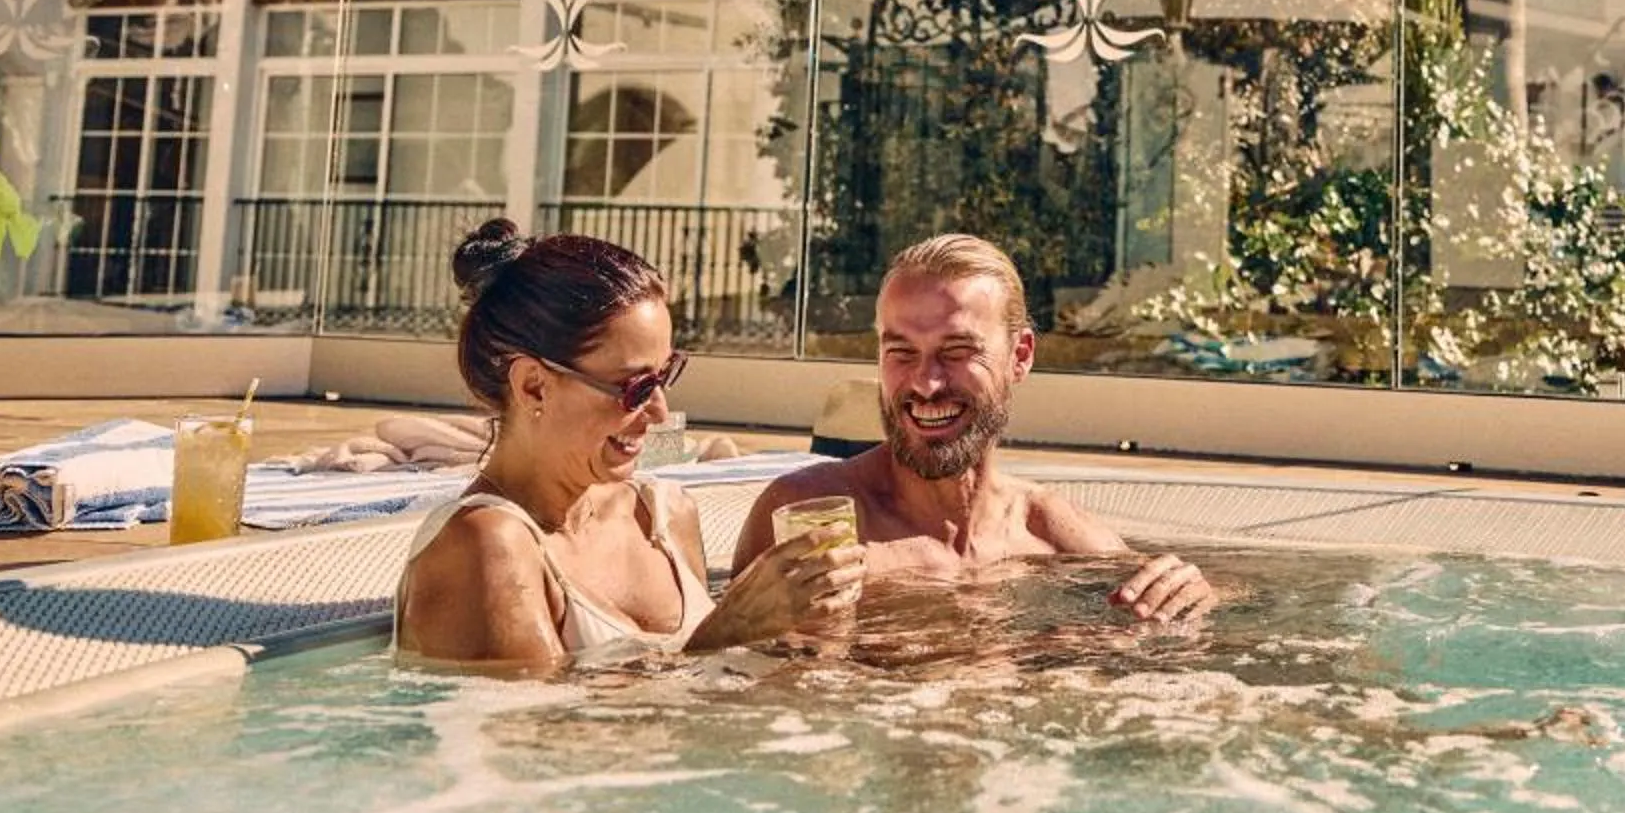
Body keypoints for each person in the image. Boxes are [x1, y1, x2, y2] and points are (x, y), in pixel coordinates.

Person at [394, 219, 864, 666]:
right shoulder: (484, 546)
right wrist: (731, 629)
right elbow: (539, 723)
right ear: (534, 386)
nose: (660, 411)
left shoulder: (663, 515)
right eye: (635, 388)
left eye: (665, 376)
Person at [731, 233, 1215, 622]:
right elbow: (724, 666)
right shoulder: (811, 518)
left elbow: (1173, 604)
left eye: (957, 351)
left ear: (1020, 356)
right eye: (901, 352)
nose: (926, 383)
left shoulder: (1050, 533)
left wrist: (1196, 594)